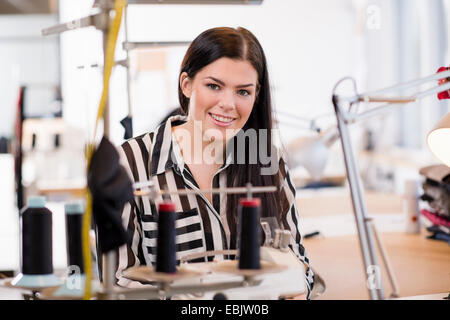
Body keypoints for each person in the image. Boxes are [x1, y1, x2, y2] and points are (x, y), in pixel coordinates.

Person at [115, 27, 315, 299]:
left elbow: (299, 264)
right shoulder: (131, 162)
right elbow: (120, 281)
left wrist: (297, 287)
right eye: (214, 86)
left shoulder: (266, 158)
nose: (228, 104)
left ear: (256, 96)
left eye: (243, 92)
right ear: (186, 85)